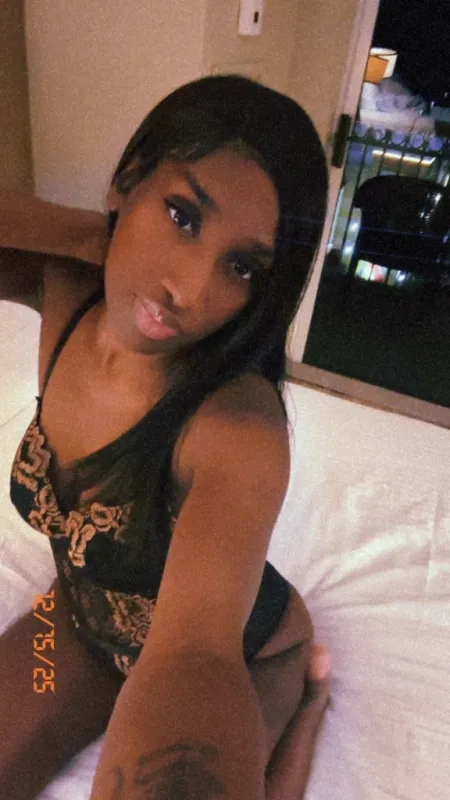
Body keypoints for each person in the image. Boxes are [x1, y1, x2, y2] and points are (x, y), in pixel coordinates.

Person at [0, 74, 331, 798]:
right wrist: (93, 233)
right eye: (182, 215)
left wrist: (137, 233)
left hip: (250, 651)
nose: (189, 289)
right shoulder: (67, 296)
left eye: (241, 267)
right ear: (128, 182)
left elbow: (196, 652)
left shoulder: (236, 427)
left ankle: (309, 704)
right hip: (80, 621)